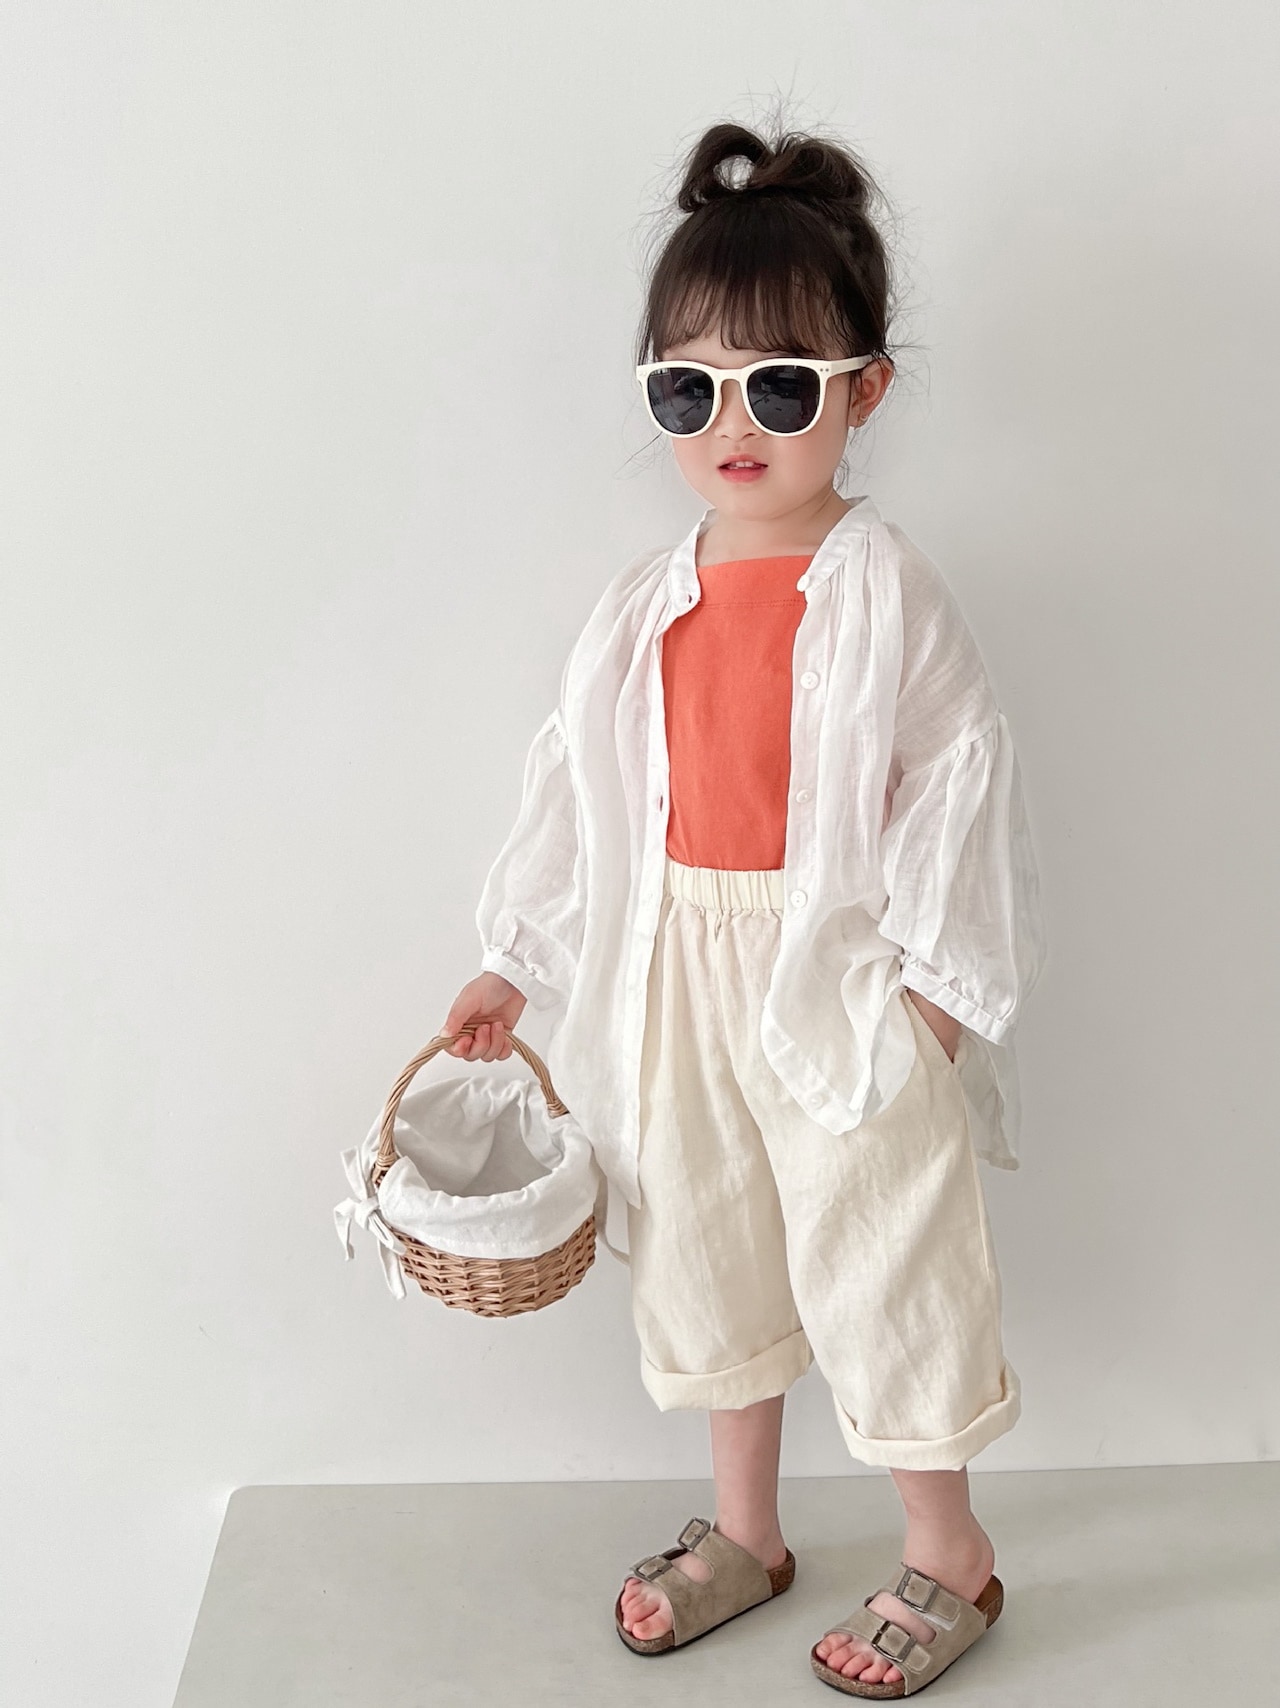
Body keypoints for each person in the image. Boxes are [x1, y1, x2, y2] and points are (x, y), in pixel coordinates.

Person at [440, 117, 1048, 1698]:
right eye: (686, 389)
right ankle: (748, 1532)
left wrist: (934, 995)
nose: (733, 424)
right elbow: (578, 790)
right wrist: (516, 957)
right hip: (675, 969)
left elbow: (959, 774)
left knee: (883, 1248)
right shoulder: (643, 603)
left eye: (779, 387)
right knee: (706, 1238)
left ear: (863, 392)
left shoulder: (883, 585)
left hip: (835, 973)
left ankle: (949, 1552)